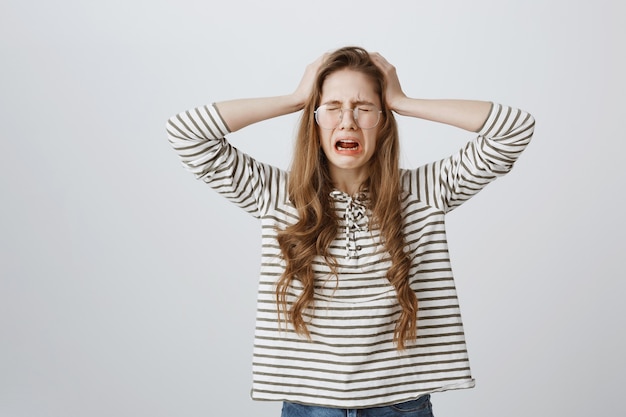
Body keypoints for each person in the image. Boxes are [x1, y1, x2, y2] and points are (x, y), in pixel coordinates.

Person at [166, 46, 535, 417]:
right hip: (310, 407)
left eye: (363, 108)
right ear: (314, 120)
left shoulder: (425, 192)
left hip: (400, 405)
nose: (348, 121)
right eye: (333, 107)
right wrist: (295, 98)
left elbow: (514, 130)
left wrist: (403, 101)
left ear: (384, 119)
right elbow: (186, 134)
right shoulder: (278, 196)